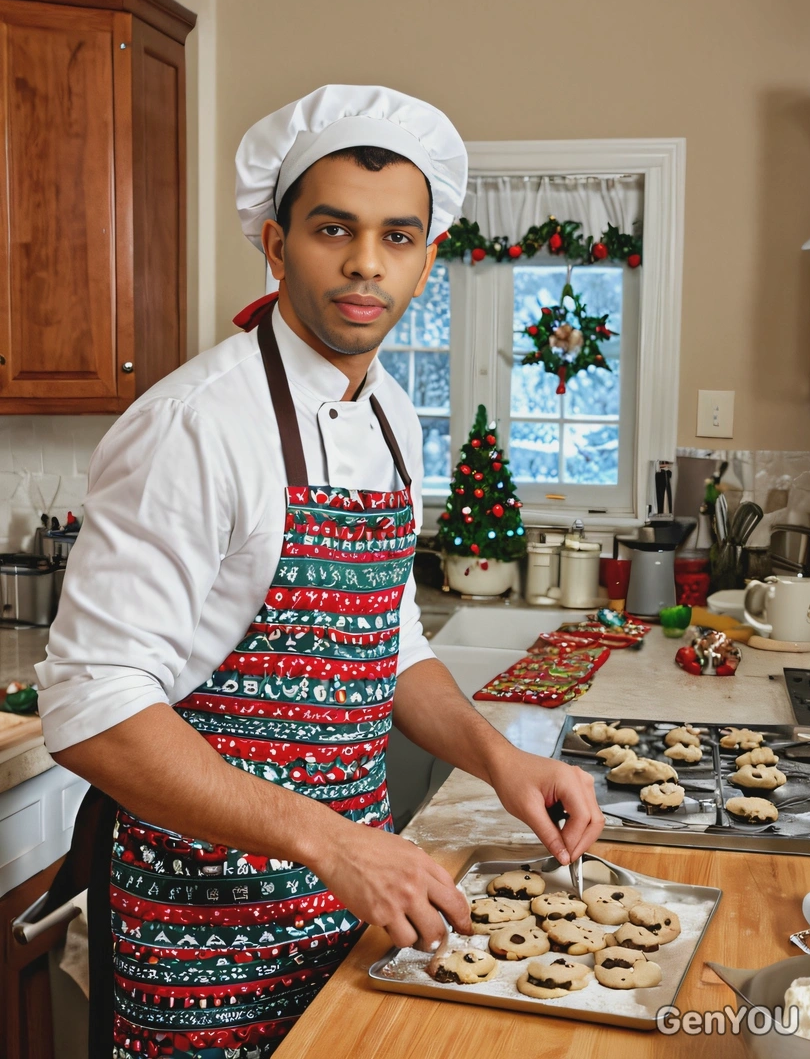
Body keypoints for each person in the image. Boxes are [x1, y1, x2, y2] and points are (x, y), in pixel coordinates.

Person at [36, 84, 605, 1058]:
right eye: (333, 228)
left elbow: (385, 639)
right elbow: (90, 707)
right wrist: (329, 840)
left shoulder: (390, 413)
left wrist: (499, 756)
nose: (364, 265)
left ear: (428, 255)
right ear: (274, 240)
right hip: (199, 910)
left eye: (398, 237)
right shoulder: (196, 424)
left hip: (352, 893)